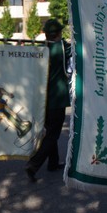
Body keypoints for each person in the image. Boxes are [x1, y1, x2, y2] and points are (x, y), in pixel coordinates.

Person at [25, 19, 71, 182]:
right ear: (58, 33)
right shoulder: (62, 48)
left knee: (51, 130)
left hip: (42, 99)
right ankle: (33, 165)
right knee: (52, 134)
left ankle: (53, 163)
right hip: (56, 99)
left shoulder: (40, 49)